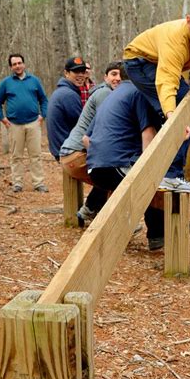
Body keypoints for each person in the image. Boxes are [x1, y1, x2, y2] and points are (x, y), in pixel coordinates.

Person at [123, 0, 190, 193]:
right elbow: (167, 81)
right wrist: (172, 114)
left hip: (162, 66)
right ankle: (169, 175)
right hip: (139, 60)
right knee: (180, 108)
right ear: (189, 20)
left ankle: (166, 171)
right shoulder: (176, 38)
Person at [86, 80, 164, 251]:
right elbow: (148, 134)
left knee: (135, 180)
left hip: (94, 167)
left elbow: (86, 139)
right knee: (153, 184)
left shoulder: (111, 96)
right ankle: (159, 234)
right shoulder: (139, 93)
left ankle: (97, 214)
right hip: (116, 164)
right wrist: (151, 170)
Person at [59, 61, 124, 223]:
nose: (117, 78)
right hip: (76, 154)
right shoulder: (105, 94)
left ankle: (90, 210)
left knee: (111, 172)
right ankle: (115, 221)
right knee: (116, 176)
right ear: (105, 77)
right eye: (113, 74)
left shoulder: (106, 93)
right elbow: (105, 133)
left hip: (75, 153)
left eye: (120, 75)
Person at [0, 54, 49, 193]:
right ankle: (17, 183)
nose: (17, 66)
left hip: (33, 123)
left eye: (19, 63)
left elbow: (44, 99)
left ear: (24, 64)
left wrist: (42, 116)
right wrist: (3, 118)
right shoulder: (6, 83)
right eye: (14, 64)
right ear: (11, 67)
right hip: (14, 125)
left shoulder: (34, 81)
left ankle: (38, 183)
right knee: (16, 156)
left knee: (35, 155)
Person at [46, 56, 89, 160]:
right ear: (66, 73)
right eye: (76, 72)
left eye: (82, 72)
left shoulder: (62, 91)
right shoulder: (68, 95)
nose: (80, 75)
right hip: (67, 153)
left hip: (61, 149)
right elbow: (82, 126)